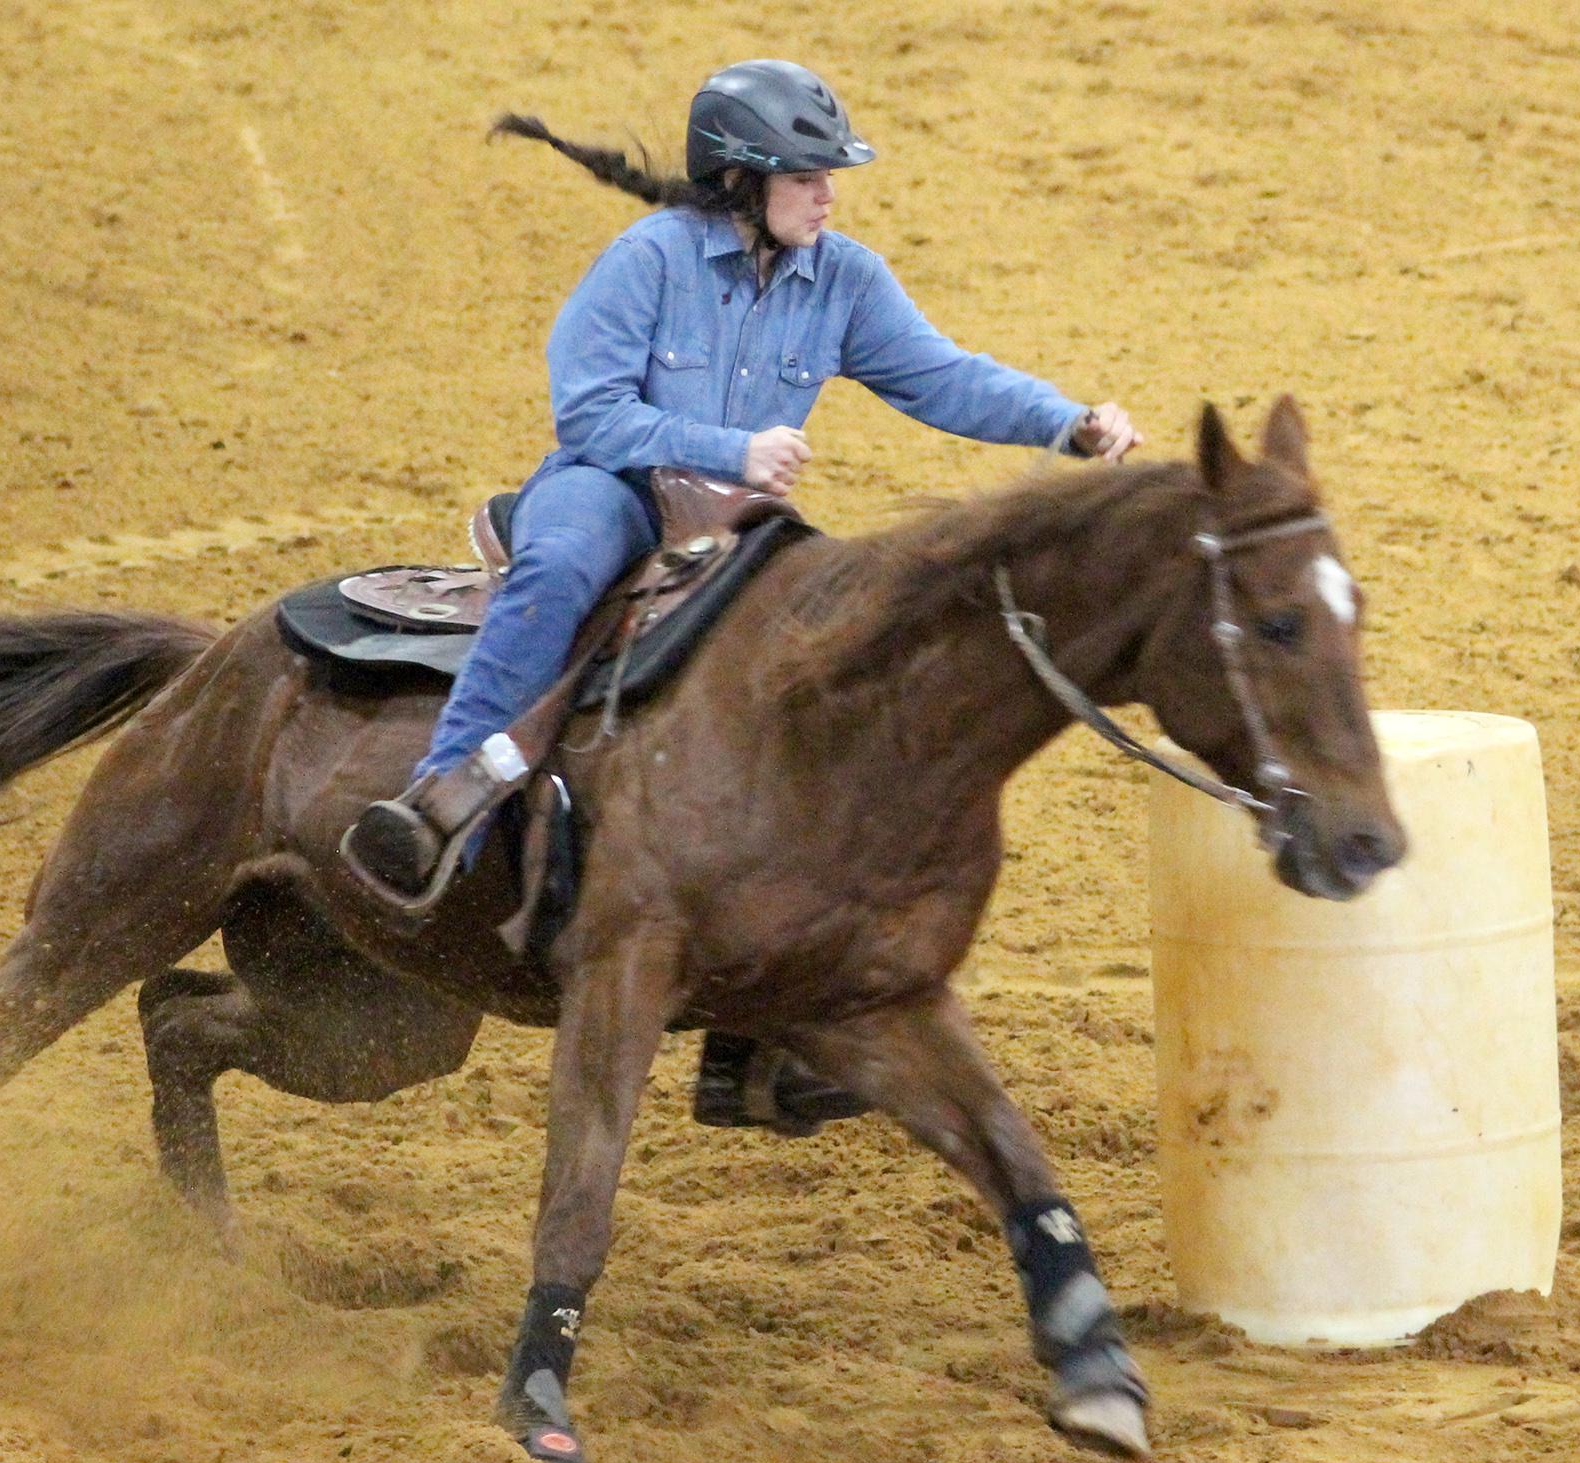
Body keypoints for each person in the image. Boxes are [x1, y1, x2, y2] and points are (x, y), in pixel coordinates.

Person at [341, 59, 1141, 1131]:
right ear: (741, 181)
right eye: (808, 175)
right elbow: (589, 413)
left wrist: (1063, 419)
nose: (828, 195)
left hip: (731, 521)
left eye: (828, 176)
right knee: (559, 570)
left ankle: (763, 1014)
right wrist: (727, 445)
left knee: (828, 646)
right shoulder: (646, 260)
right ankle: (442, 806)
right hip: (612, 488)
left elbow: (942, 375)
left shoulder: (843, 279)